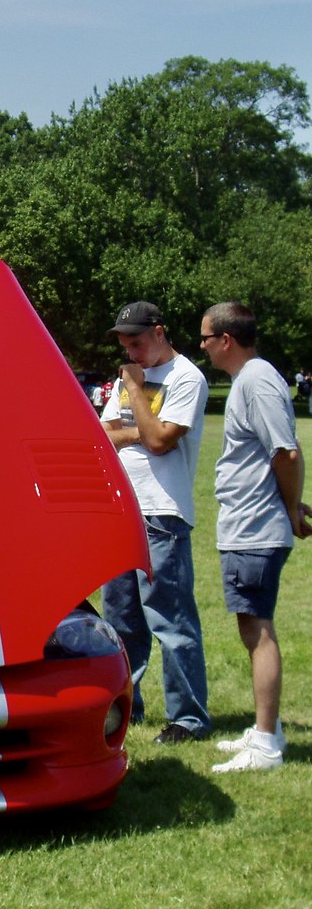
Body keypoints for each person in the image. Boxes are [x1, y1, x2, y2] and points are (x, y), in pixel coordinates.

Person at [200, 302, 311, 772]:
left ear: (226, 339)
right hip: (248, 524)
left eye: (205, 338)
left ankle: (265, 743)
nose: (201, 346)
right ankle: (269, 728)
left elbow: (285, 452)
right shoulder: (253, 380)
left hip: (255, 528)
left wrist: (289, 508)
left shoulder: (257, 379)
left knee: (257, 630)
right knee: (252, 627)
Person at [100, 301, 210, 743]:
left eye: (138, 343)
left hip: (163, 511)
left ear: (160, 332)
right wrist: (137, 429)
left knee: (171, 619)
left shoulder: (187, 378)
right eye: (126, 346)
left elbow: (162, 440)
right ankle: (130, 706)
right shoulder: (132, 375)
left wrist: (135, 390)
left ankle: (188, 719)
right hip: (122, 508)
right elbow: (102, 432)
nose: (132, 353)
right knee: (121, 620)